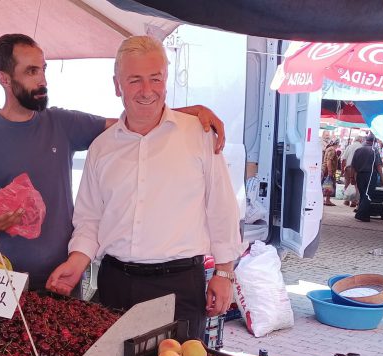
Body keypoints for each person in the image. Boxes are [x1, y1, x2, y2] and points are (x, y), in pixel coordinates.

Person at [0, 33, 224, 290]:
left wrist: (189, 113)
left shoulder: (62, 123)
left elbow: (133, 119)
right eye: (31, 71)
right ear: (4, 79)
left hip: (61, 274)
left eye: (44, 69)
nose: (42, 79)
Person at [45, 36, 242, 339]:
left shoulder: (199, 135)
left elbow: (222, 209)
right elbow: (89, 219)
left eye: (156, 78)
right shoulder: (101, 148)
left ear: (166, 79)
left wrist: (225, 273)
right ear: (117, 85)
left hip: (179, 287)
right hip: (115, 284)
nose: (147, 90)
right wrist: (77, 260)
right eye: (135, 80)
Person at [351, 134, 383, 223]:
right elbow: (378, 165)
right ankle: (360, 214)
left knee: (363, 194)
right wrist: (381, 177)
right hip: (370, 175)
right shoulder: (374, 150)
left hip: (359, 175)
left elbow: (353, 165)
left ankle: (365, 216)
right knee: (368, 195)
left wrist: (352, 177)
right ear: (374, 142)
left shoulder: (358, 150)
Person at [341, 135, 363, 208]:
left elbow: (343, 159)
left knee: (347, 183)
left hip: (348, 167)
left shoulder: (349, 146)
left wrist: (342, 170)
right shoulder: (362, 147)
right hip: (358, 169)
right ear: (361, 141)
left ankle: (347, 200)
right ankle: (354, 201)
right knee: (356, 185)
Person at [322, 140, 339, 206]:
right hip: (327, 169)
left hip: (325, 168)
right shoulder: (332, 150)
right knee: (329, 184)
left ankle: (324, 199)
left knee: (326, 184)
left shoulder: (328, 148)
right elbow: (329, 160)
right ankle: (327, 200)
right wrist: (330, 171)